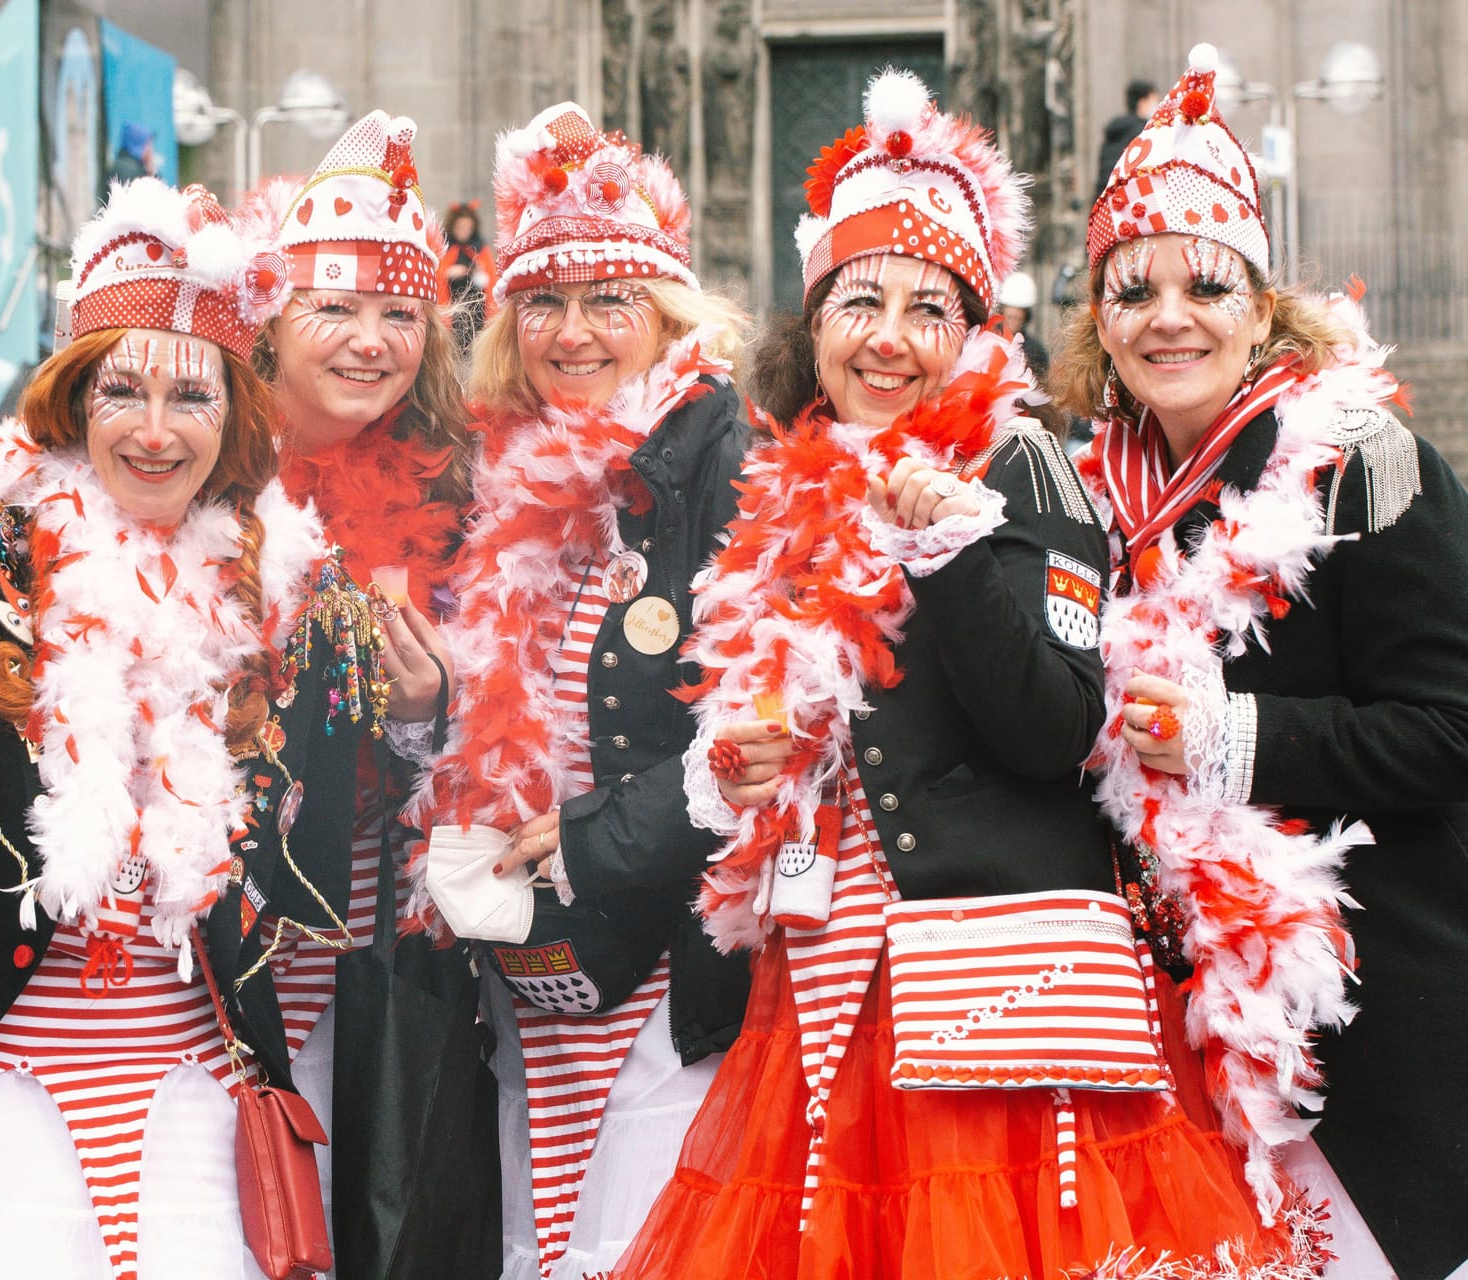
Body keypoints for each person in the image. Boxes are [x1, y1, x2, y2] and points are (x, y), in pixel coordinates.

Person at [615, 68, 1326, 1279]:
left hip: (992, 994)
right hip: (825, 981)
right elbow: (781, 719)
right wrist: (740, 762)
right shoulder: (787, 490)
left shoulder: (1027, 472)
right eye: (859, 301)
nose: (889, 338)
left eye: (928, 309)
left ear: (973, 333)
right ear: (813, 321)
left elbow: (1054, 731)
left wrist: (946, 552)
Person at [0, 177, 383, 1280]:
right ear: (70, 399)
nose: (156, 433)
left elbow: (321, 873)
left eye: (192, 398)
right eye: (123, 392)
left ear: (235, 415)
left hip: (197, 1088)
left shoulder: (300, 598)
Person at [1061, 46, 1468, 1280]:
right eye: (1134, 289)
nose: (1169, 316)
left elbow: (1451, 730)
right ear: (1099, 317)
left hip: (1363, 1020)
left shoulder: (1357, 462)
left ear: (1261, 300)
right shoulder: (1082, 501)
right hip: (1167, 1039)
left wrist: (1237, 736)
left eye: (1207, 284)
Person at [403, 102, 754, 1280]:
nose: (575, 330)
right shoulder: (492, 467)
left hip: (671, 939)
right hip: (536, 947)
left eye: (612, 299)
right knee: (545, 1229)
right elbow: (474, 697)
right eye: (545, 300)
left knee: (646, 1237)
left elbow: (762, 714)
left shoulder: (719, 447)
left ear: (666, 310)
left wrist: (597, 837)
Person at [252, 110, 498, 1279]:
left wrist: (422, 713)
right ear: (271, 321)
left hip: (371, 947)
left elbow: (480, 749)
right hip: (209, 947)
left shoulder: (459, 488)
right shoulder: (190, 450)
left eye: (400, 313)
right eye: (334, 309)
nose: (370, 342)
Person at [438, 200, 499, 354]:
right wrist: (448, 273)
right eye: (460, 227)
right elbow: (437, 276)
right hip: (452, 310)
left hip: (477, 312)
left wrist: (478, 272)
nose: (464, 231)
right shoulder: (444, 247)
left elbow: (492, 279)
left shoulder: (480, 248)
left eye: (468, 227)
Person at [1094, 78, 1156, 205]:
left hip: (1105, 200)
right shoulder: (1144, 133)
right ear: (1143, 102)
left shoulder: (1114, 132)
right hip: (1129, 203)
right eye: (1154, 101)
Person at [998, 267, 1050, 381]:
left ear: (1026, 315)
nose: (1013, 315)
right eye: (1010, 310)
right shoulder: (988, 343)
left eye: (1018, 311)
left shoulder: (1036, 351)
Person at [106, 120, 157, 187]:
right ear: (139, 145)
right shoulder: (128, 170)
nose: (151, 150)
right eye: (148, 145)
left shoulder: (130, 166)